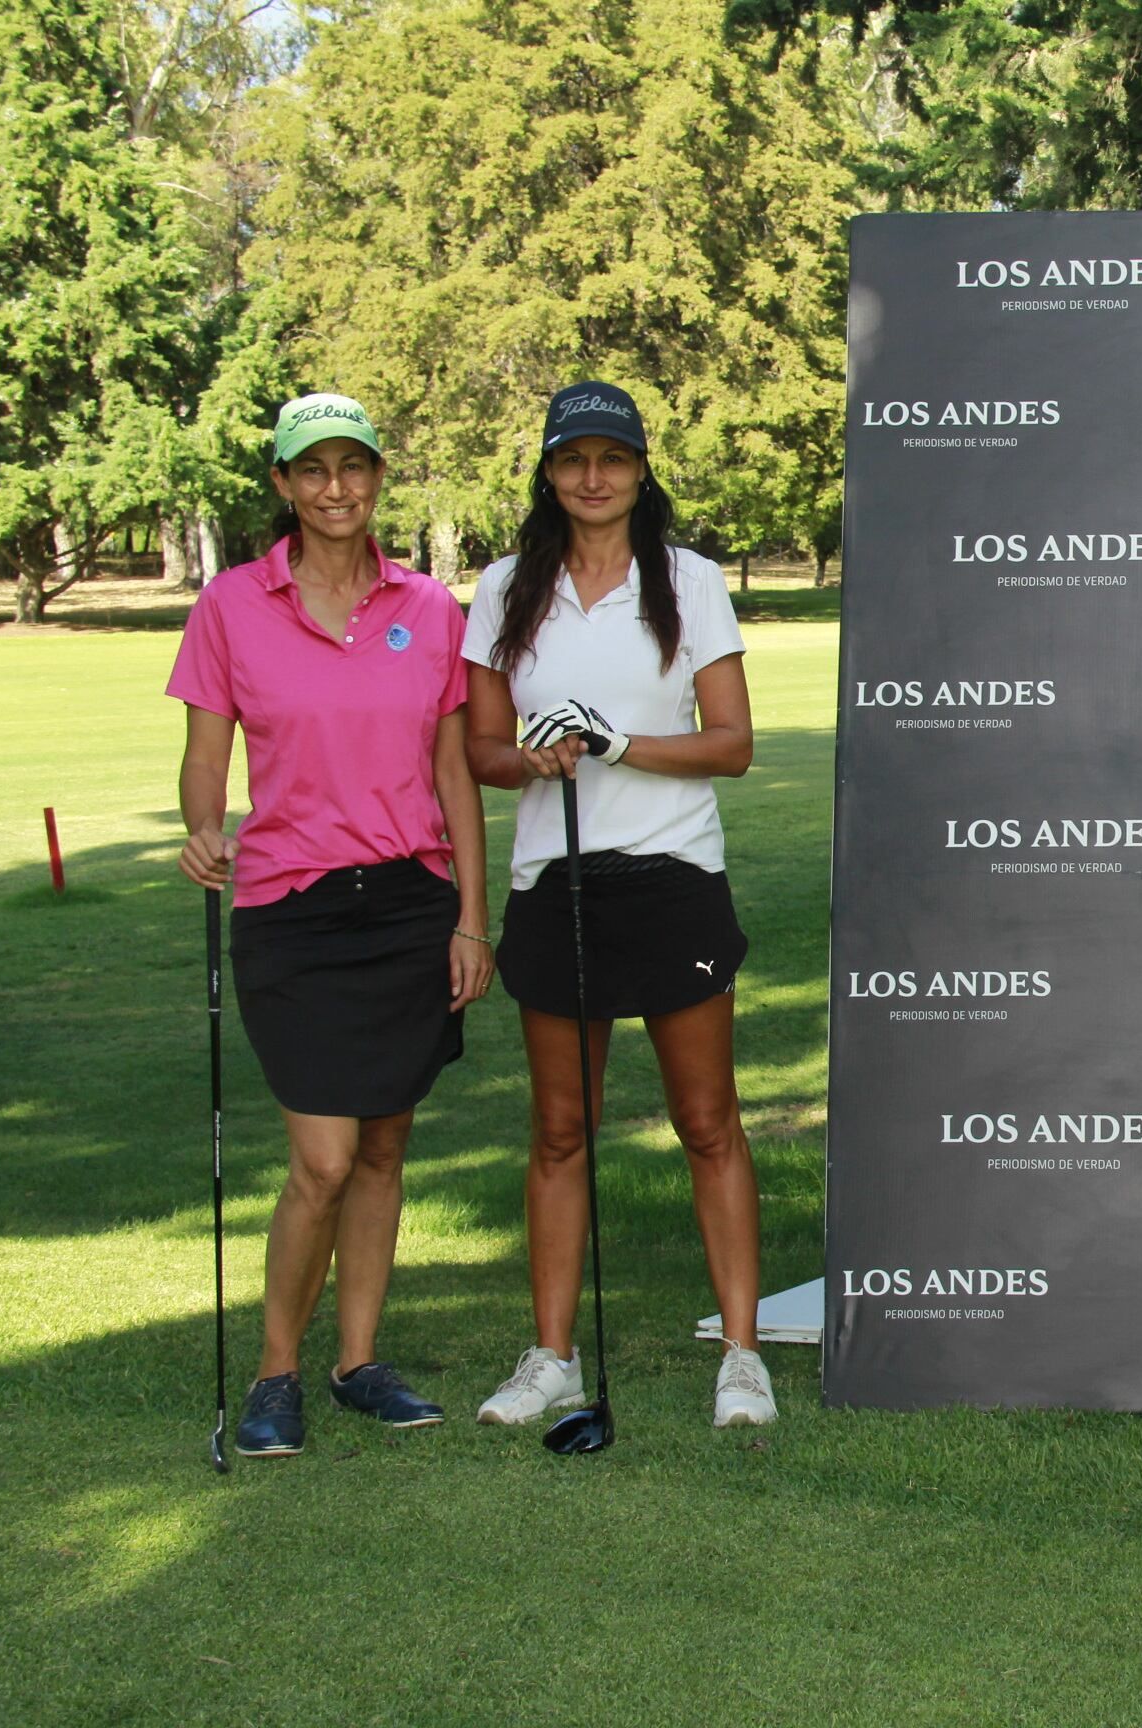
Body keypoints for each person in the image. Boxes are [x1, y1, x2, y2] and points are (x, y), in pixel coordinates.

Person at [169, 392, 495, 1458]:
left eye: (354, 466)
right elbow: (206, 757)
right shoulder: (231, 603)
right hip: (290, 911)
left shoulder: (428, 608)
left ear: (378, 477)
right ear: (283, 483)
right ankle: (277, 1373)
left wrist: (472, 918)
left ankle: (358, 1363)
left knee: (386, 1146)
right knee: (323, 1159)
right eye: (312, 469)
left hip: (408, 904)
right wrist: (203, 827)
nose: (336, 488)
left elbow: (454, 774)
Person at [462, 382, 769, 1430]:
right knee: (559, 1130)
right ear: (548, 473)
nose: (593, 477)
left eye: (613, 458)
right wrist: (536, 759)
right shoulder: (505, 587)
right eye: (572, 459)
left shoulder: (688, 581)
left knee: (707, 1122)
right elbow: (482, 751)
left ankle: (742, 1357)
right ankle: (551, 1356)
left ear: (641, 470)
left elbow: (733, 743)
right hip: (555, 885)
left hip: (673, 876)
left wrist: (618, 743)